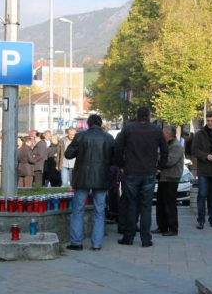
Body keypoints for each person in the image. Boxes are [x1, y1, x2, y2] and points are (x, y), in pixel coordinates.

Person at [116, 107, 168, 248]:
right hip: (149, 172)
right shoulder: (156, 129)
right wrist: (160, 167)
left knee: (131, 205)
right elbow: (165, 149)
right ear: (149, 116)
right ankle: (146, 239)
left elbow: (118, 147)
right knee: (146, 206)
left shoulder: (128, 128)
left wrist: (121, 164)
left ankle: (129, 236)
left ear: (137, 116)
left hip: (131, 171)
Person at [64, 114, 115, 251]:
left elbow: (68, 154)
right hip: (101, 178)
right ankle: (96, 244)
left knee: (78, 210)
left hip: (82, 178)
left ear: (88, 124)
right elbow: (115, 159)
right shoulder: (108, 138)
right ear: (100, 123)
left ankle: (76, 242)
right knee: (99, 211)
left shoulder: (81, 136)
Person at [152, 125, 184, 236]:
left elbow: (169, 161)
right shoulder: (166, 144)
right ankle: (162, 226)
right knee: (160, 203)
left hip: (171, 178)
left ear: (168, 134)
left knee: (169, 204)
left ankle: (173, 228)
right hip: (164, 178)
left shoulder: (176, 146)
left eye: (163, 133)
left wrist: (156, 155)